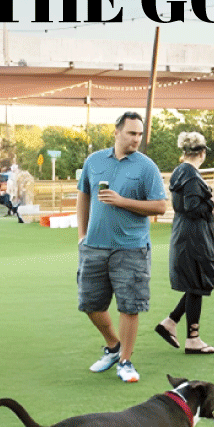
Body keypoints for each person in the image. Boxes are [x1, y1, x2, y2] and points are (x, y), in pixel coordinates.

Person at [75, 112, 169, 383]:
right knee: (90, 303)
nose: (136, 139)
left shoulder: (146, 167)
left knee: (129, 306)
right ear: (116, 133)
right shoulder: (93, 162)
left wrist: (122, 201)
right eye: (131, 133)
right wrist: (82, 234)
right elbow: (84, 195)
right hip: (94, 246)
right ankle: (114, 346)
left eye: (139, 134)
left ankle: (126, 361)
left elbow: (160, 207)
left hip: (131, 247)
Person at [156, 132, 214, 355]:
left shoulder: (181, 172)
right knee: (199, 282)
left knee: (197, 283)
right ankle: (192, 338)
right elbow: (194, 208)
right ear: (202, 153)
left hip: (185, 234)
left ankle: (171, 323)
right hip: (194, 237)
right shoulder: (192, 175)